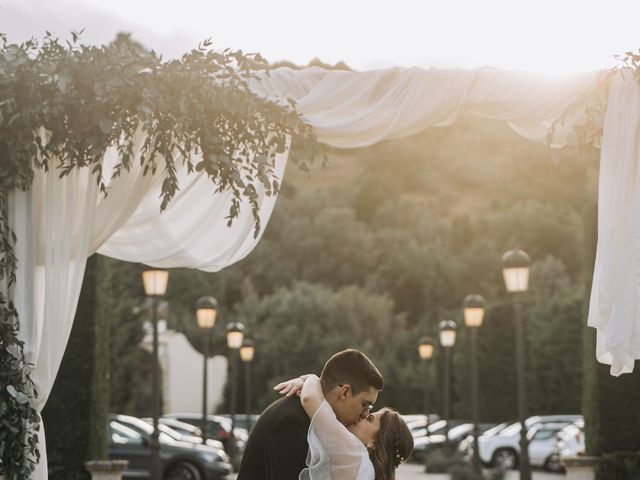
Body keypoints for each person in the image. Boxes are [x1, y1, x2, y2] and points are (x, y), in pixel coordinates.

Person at [236, 349, 386, 480]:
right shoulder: (292, 422)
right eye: (365, 404)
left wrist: (308, 378)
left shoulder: (310, 419)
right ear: (344, 392)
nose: (365, 414)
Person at [275, 373, 413, 480]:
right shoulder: (368, 470)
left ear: (374, 443)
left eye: (370, 419)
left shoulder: (352, 453)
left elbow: (309, 399)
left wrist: (311, 378)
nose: (363, 416)